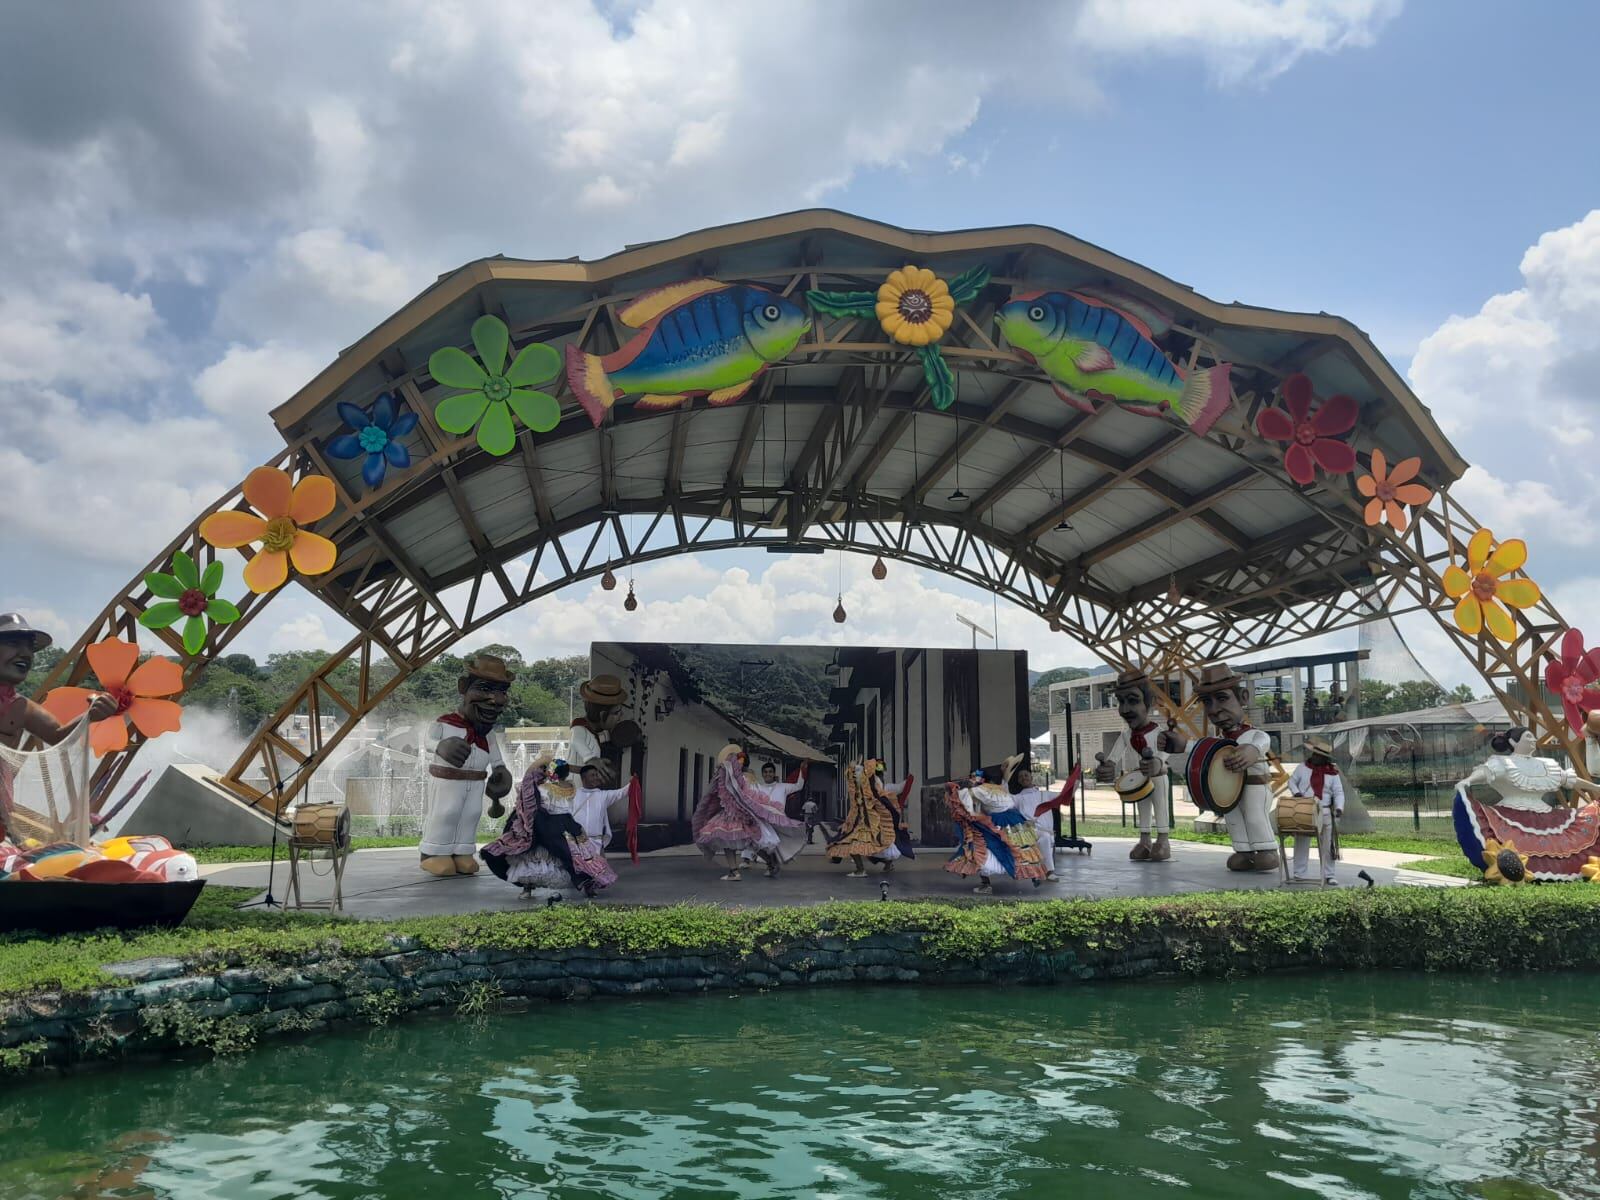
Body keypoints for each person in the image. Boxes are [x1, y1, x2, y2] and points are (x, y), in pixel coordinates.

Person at [0, 614, 116, 840]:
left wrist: (90, 716)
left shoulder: (22, 707)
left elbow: (59, 736)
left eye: (30, 648)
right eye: (14, 643)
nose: (25, 654)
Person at [1160, 662, 1279, 872]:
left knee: (1254, 815)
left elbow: (1263, 741)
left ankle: (1266, 850)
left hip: (1254, 787)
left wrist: (1252, 749)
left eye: (1222, 698)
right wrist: (1181, 744)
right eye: (1208, 702)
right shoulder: (1218, 740)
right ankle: (1243, 851)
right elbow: (1202, 748)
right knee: (1233, 819)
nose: (1214, 709)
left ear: (1243, 697)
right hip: (1229, 792)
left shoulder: (1252, 735)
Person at [1452, 724, 1600, 881]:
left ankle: (1561, 871)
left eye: (1533, 737)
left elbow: (1568, 780)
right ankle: (1512, 871)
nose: (1533, 740)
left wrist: (1595, 787)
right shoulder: (1503, 762)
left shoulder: (1546, 764)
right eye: (1528, 737)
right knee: (1512, 843)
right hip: (1510, 813)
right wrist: (1468, 781)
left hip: (1547, 816)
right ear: (1513, 742)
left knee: (1570, 836)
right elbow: (1485, 773)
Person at [419, 654, 513, 877]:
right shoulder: (445, 723)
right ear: (464, 687)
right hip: (447, 781)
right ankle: (433, 853)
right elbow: (427, 742)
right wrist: (440, 746)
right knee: (446, 812)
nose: (494, 699)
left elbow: (496, 759)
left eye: (501, 692)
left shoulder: (487, 734)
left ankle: (463, 851)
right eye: (484, 689)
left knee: (471, 814)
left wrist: (500, 771)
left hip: (476, 782)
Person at [481, 754, 616, 898]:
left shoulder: (544, 788)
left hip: (547, 824)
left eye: (549, 770)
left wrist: (535, 775)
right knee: (578, 856)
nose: (546, 772)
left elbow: (526, 791)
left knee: (529, 855)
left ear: (553, 772)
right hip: (569, 825)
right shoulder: (571, 787)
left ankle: (527, 889)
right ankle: (588, 885)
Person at [1093, 667, 1172, 862]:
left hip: (1158, 777)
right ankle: (1144, 840)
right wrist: (1108, 765)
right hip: (1139, 778)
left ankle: (1163, 840)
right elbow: (1115, 755)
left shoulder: (1158, 732)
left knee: (1160, 805)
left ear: (1150, 703)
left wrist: (1158, 761)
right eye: (1121, 702)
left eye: (1133, 701)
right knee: (1142, 807)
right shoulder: (1126, 735)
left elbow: (1166, 749)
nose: (1125, 709)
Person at [692, 744, 806, 880]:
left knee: (747, 841)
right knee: (736, 841)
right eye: (737, 760)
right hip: (734, 812)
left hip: (738, 813)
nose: (738, 763)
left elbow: (746, 795)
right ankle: (739, 870)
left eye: (740, 761)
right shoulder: (738, 775)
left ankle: (750, 868)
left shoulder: (740, 776)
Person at [944, 766, 1048, 894]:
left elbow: (963, 798)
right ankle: (1034, 876)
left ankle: (986, 884)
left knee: (980, 845)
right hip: (1016, 821)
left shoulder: (981, 789)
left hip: (996, 822)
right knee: (1020, 848)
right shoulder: (1002, 788)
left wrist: (953, 788)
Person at [825, 759, 900, 877]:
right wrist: (848, 822)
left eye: (858, 772)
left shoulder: (872, 786)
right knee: (865, 848)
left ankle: (861, 870)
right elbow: (856, 807)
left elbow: (876, 803)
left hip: (868, 823)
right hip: (863, 823)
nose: (855, 775)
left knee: (856, 846)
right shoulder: (863, 788)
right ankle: (887, 864)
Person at [1286, 736, 1344, 884]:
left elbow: (1338, 792)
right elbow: (1291, 781)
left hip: (1325, 811)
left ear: (1325, 758)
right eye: (1315, 754)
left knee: (1327, 844)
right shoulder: (1303, 767)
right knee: (1302, 840)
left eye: (1320, 756)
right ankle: (1299, 873)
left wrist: (1339, 808)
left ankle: (1329, 875)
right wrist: (1297, 793)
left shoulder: (1333, 773)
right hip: (1305, 808)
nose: (1315, 757)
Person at [1008, 753, 1063, 882]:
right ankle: (1049, 872)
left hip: (1047, 831)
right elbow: (1005, 798)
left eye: (1026, 775)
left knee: (1046, 836)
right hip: (1029, 832)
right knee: (1044, 837)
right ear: (1018, 781)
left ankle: (1044, 871)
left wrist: (1075, 781)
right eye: (1021, 777)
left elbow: (1065, 795)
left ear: (1031, 777)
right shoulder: (1018, 798)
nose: (1024, 778)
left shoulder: (1045, 794)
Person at [570, 674, 628, 787]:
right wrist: (591, 759)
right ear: (602, 715)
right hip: (574, 795)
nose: (621, 716)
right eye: (616, 713)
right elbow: (576, 741)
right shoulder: (580, 727)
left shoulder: (597, 732)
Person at [571, 760, 636, 850]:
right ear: (583, 778)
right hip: (576, 843)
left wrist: (633, 782)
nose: (596, 778)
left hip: (596, 844)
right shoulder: (573, 795)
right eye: (592, 775)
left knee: (598, 864)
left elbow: (622, 793)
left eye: (596, 775)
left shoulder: (603, 795)